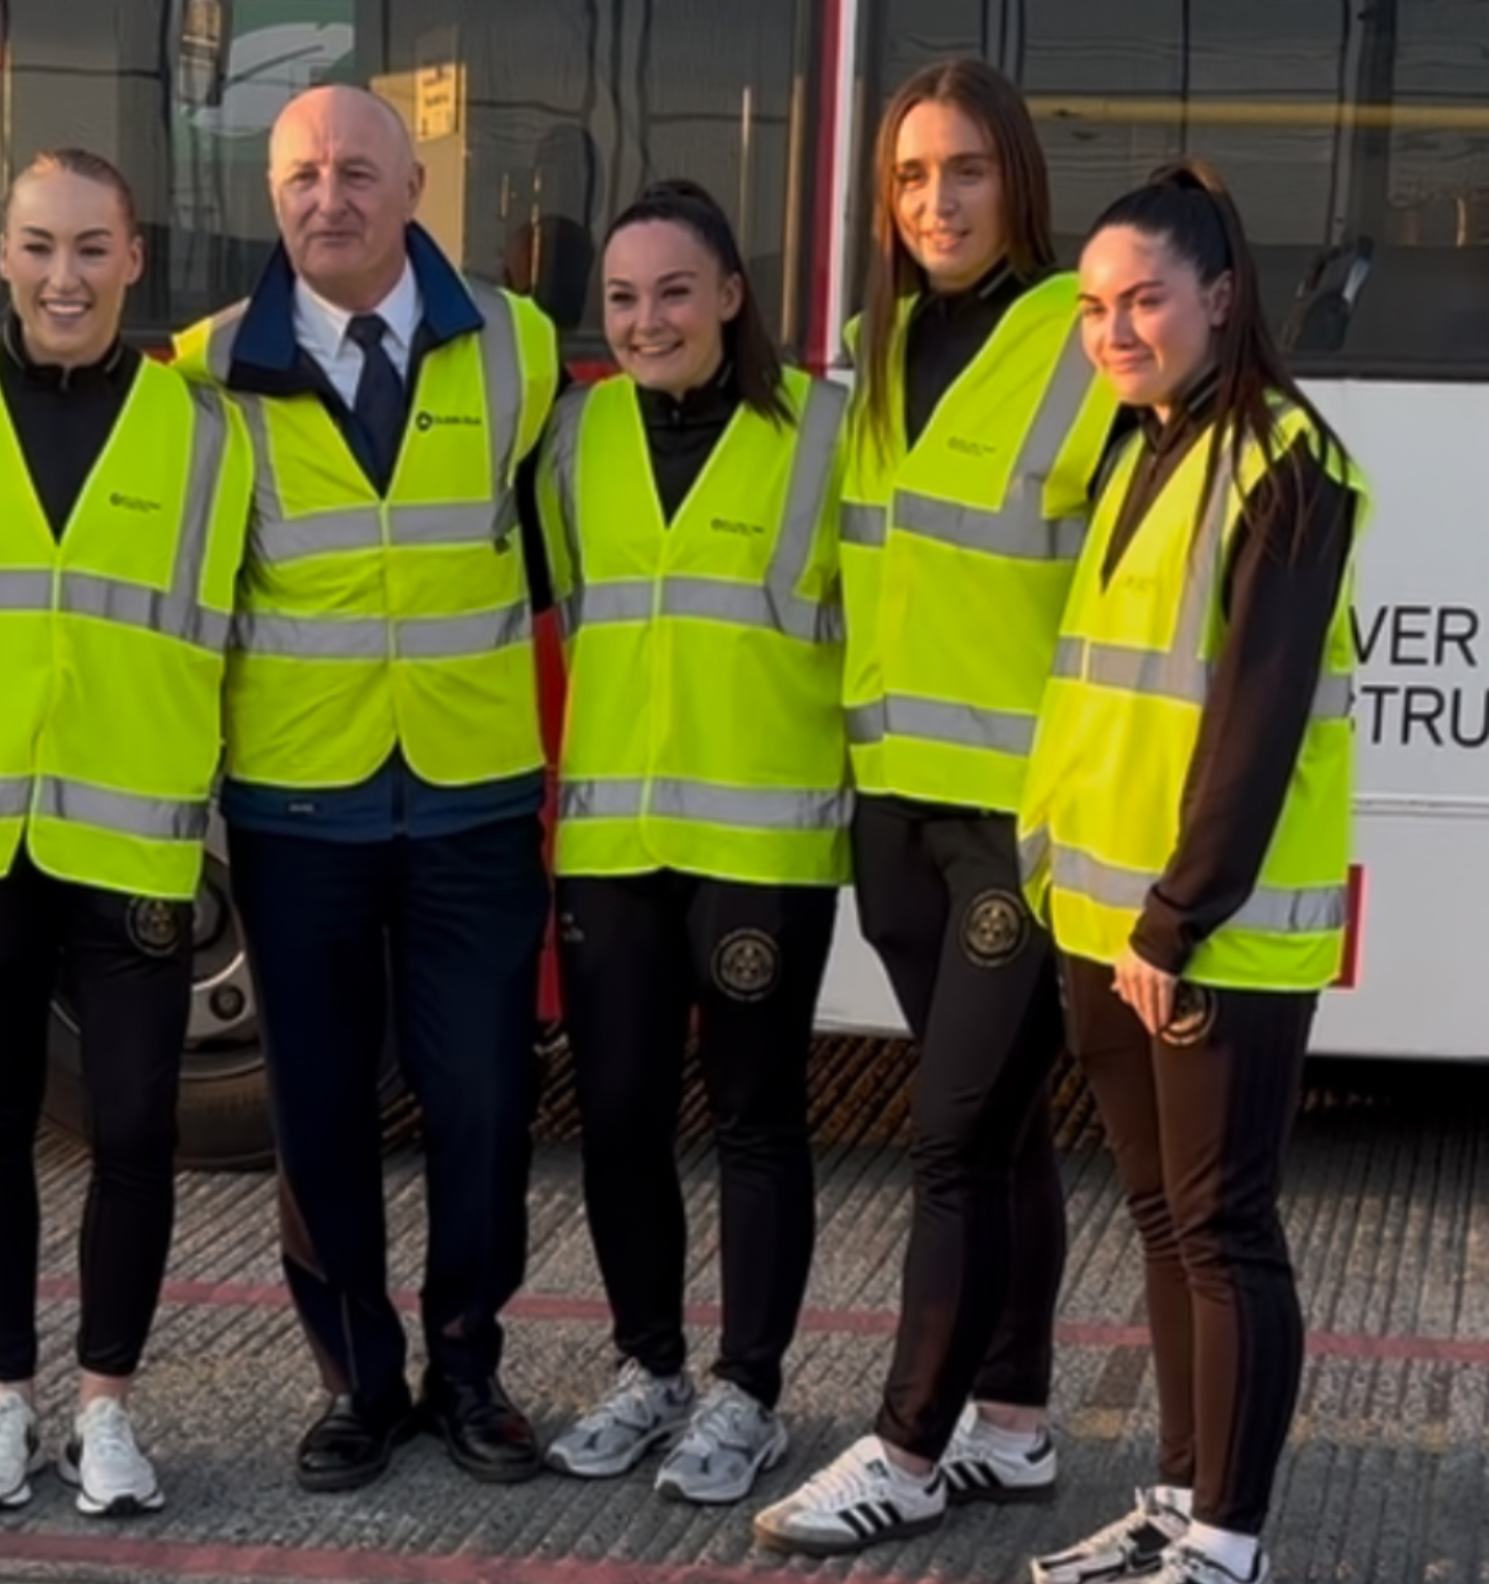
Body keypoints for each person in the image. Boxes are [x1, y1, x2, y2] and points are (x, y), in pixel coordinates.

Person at [172, 84, 561, 1492]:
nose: (324, 199)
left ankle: (469, 1369)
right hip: (298, 805)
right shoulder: (207, 367)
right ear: (269, 198)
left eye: (353, 172)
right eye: (297, 178)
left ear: (411, 189)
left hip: (470, 800)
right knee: (318, 1112)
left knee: (481, 1104)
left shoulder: (518, 345)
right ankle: (356, 1381)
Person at [755, 58, 1120, 1556]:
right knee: (1006, 1129)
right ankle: (1015, 1425)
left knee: (952, 1136)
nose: (935, 203)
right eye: (909, 178)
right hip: (894, 814)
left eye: (964, 171)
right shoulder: (879, 347)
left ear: (1016, 179)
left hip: (1013, 826)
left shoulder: (1078, 344)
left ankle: (908, 1445)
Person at [0, 148, 252, 1519]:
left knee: (137, 1130)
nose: (63, 277)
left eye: (92, 249)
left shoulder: (209, 434)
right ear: (1, 255)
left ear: (137, 258)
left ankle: (106, 1410)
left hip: (139, 843)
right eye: (37, 246)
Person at [1017, 160, 1365, 1584]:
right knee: (1162, 1218)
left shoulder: (1290, 461)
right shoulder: (1137, 440)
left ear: (1220, 299)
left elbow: (1258, 719)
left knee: (1225, 1228)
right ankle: (1175, 1496)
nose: (1115, 329)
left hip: (1202, 933)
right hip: (1105, 919)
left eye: (1144, 298)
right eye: (1096, 306)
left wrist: (1175, 918)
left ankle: (1228, 1536)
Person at [532, 180, 848, 1507]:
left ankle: (750, 1392)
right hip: (613, 844)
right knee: (617, 1120)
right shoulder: (573, 443)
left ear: (732, 294)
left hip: (764, 847)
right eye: (620, 297)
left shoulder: (824, 435)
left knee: (760, 1123)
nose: (645, 319)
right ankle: (651, 1368)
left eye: (673, 291)